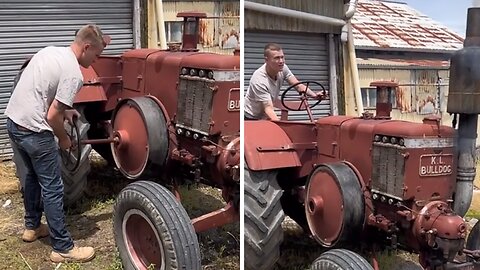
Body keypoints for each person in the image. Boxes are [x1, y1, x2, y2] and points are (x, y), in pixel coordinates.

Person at [5, 24, 110, 263]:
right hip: (34, 130)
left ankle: (32, 227)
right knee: (52, 188)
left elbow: (45, 90)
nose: (96, 60)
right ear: (86, 47)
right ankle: (62, 247)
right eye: (96, 54)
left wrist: (68, 109)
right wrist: (64, 139)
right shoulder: (74, 73)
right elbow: (52, 116)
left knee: (31, 176)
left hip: (14, 122)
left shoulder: (51, 52)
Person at [244, 43, 327, 120]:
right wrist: (280, 127)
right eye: (277, 58)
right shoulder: (259, 79)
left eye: (282, 57)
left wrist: (315, 95)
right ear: (266, 60)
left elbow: (298, 85)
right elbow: (268, 108)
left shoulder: (283, 68)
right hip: (251, 117)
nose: (281, 61)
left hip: (264, 116)